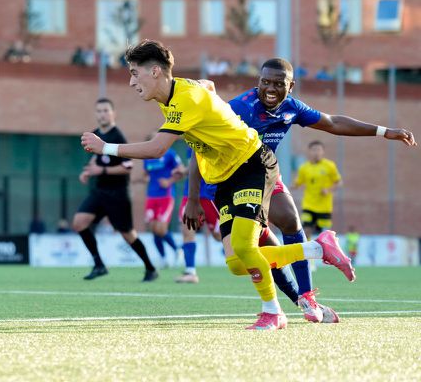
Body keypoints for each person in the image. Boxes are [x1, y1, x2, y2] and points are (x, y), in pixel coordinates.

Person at [81, 39, 359, 330]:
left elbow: (156, 149)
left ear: (155, 72)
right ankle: (318, 249)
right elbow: (208, 86)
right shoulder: (174, 94)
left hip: (251, 164)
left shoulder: (185, 100)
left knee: (245, 247)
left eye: (134, 73)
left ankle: (274, 312)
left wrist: (105, 147)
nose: (131, 82)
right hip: (223, 177)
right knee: (236, 262)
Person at [227, 57, 416, 322]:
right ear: (258, 81)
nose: (270, 88)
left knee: (290, 222)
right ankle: (312, 260)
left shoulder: (291, 107)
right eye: (265, 82)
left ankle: (304, 299)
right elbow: (202, 141)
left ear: (291, 86)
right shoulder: (239, 108)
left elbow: (333, 122)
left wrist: (384, 131)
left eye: (278, 84)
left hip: (263, 175)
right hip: (227, 183)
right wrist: (195, 196)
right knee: (243, 260)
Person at [73, 97, 158, 282]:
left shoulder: (117, 136)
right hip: (99, 191)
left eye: (106, 110)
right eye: (99, 111)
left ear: (113, 114)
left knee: (128, 234)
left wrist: (101, 170)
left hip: (118, 193)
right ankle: (99, 265)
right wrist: (87, 171)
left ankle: (150, 268)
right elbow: (95, 157)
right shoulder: (95, 134)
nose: (102, 114)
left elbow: (128, 166)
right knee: (79, 222)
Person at [174, 148, 222, 284]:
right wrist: (184, 171)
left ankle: (256, 257)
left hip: (209, 195)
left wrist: (184, 171)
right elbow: (193, 167)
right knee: (187, 229)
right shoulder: (189, 146)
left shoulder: (211, 141)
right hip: (190, 195)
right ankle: (190, 272)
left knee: (219, 236)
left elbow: (201, 167)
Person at [142, 139, 183, 268]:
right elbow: (145, 174)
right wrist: (146, 178)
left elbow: (181, 171)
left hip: (166, 196)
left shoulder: (170, 153)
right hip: (151, 196)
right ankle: (163, 258)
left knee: (161, 229)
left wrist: (169, 181)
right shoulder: (147, 156)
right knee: (153, 229)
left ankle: (177, 249)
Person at [293, 141, 342, 239]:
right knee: (306, 229)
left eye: (319, 150)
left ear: (323, 152)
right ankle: (307, 248)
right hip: (308, 204)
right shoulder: (304, 168)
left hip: (324, 206)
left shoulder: (330, 165)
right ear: (309, 151)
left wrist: (328, 190)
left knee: (325, 234)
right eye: (314, 150)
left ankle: (323, 248)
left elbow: (338, 182)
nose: (316, 152)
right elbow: (297, 183)